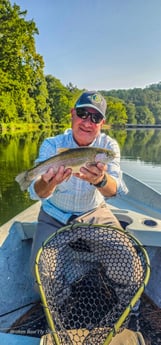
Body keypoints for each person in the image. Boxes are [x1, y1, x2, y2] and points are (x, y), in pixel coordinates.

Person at [29, 90, 128, 268]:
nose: (88, 123)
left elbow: (116, 190)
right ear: (72, 114)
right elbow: (36, 193)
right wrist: (48, 183)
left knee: (127, 263)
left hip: (94, 212)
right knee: (41, 274)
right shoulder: (52, 144)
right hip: (54, 215)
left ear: (102, 123)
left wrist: (101, 180)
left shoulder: (108, 146)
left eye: (96, 118)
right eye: (83, 114)